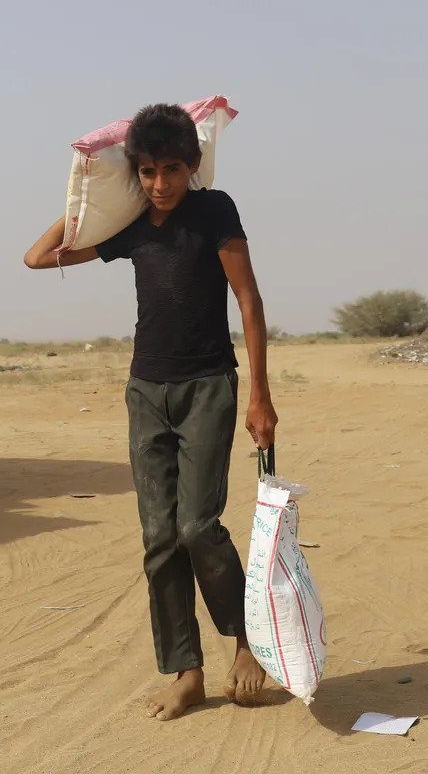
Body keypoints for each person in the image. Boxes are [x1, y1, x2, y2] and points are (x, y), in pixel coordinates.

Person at [23, 103, 277, 720]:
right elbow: (38, 257)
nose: (159, 183)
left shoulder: (214, 211)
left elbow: (248, 299)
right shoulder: (133, 224)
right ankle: (186, 672)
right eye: (145, 171)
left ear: (192, 166)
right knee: (159, 537)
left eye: (171, 169)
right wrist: (97, 193)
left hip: (206, 388)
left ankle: (247, 644)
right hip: (146, 392)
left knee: (198, 526)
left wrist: (261, 396)